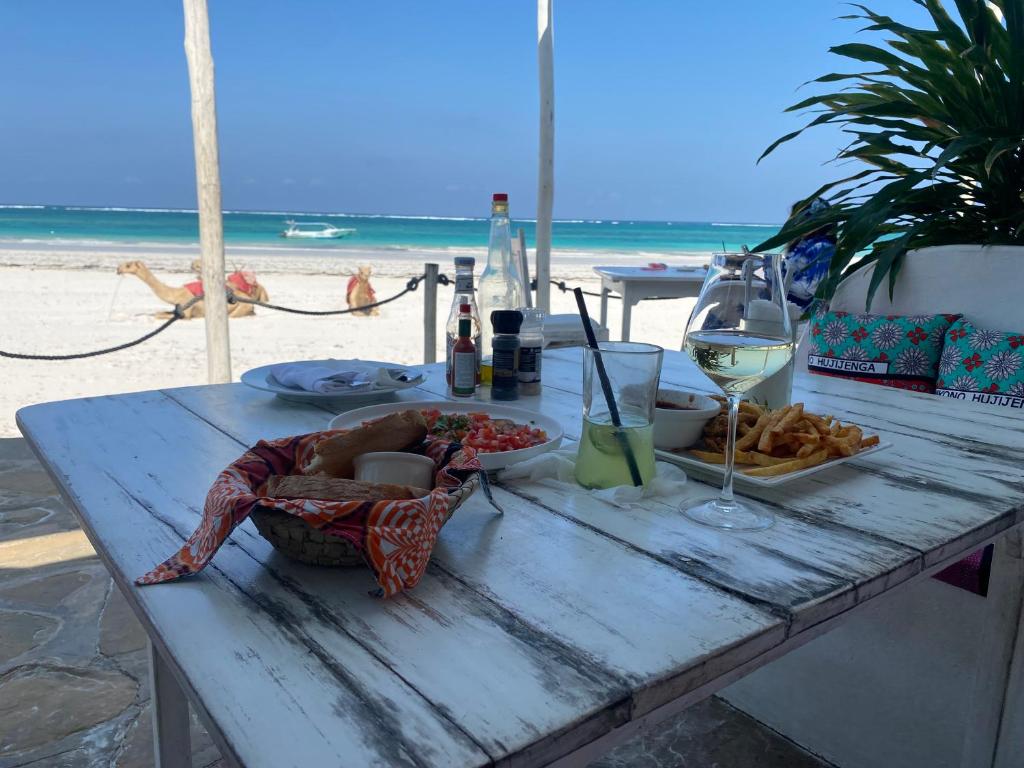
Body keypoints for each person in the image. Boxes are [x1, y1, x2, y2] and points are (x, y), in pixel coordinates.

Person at [782, 197, 836, 312]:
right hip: (788, 305)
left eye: (795, 218)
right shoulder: (803, 244)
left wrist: (775, 282)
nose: (792, 223)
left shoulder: (822, 247)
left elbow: (811, 290)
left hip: (802, 313)